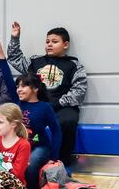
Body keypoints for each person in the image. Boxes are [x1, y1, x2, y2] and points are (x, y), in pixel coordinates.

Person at [0, 34, 62, 189]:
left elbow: (56, 131)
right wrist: (0, 53)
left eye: (24, 86)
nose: (19, 89)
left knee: (29, 167)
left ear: (35, 89)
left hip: (38, 146)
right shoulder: (16, 103)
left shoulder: (45, 107)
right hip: (17, 146)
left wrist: (54, 156)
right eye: (18, 86)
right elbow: (7, 77)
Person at [6, 22, 85, 164]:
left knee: (68, 121)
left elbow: (79, 91)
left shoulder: (74, 65)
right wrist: (15, 38)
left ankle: (61, 161)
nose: (49, 44)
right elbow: (14, 58)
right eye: (47, 41)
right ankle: (22, 157)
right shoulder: (35, 61)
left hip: (61, 106)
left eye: (54, 42)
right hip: (36, 104)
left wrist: (58, 103)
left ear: (65, 45)